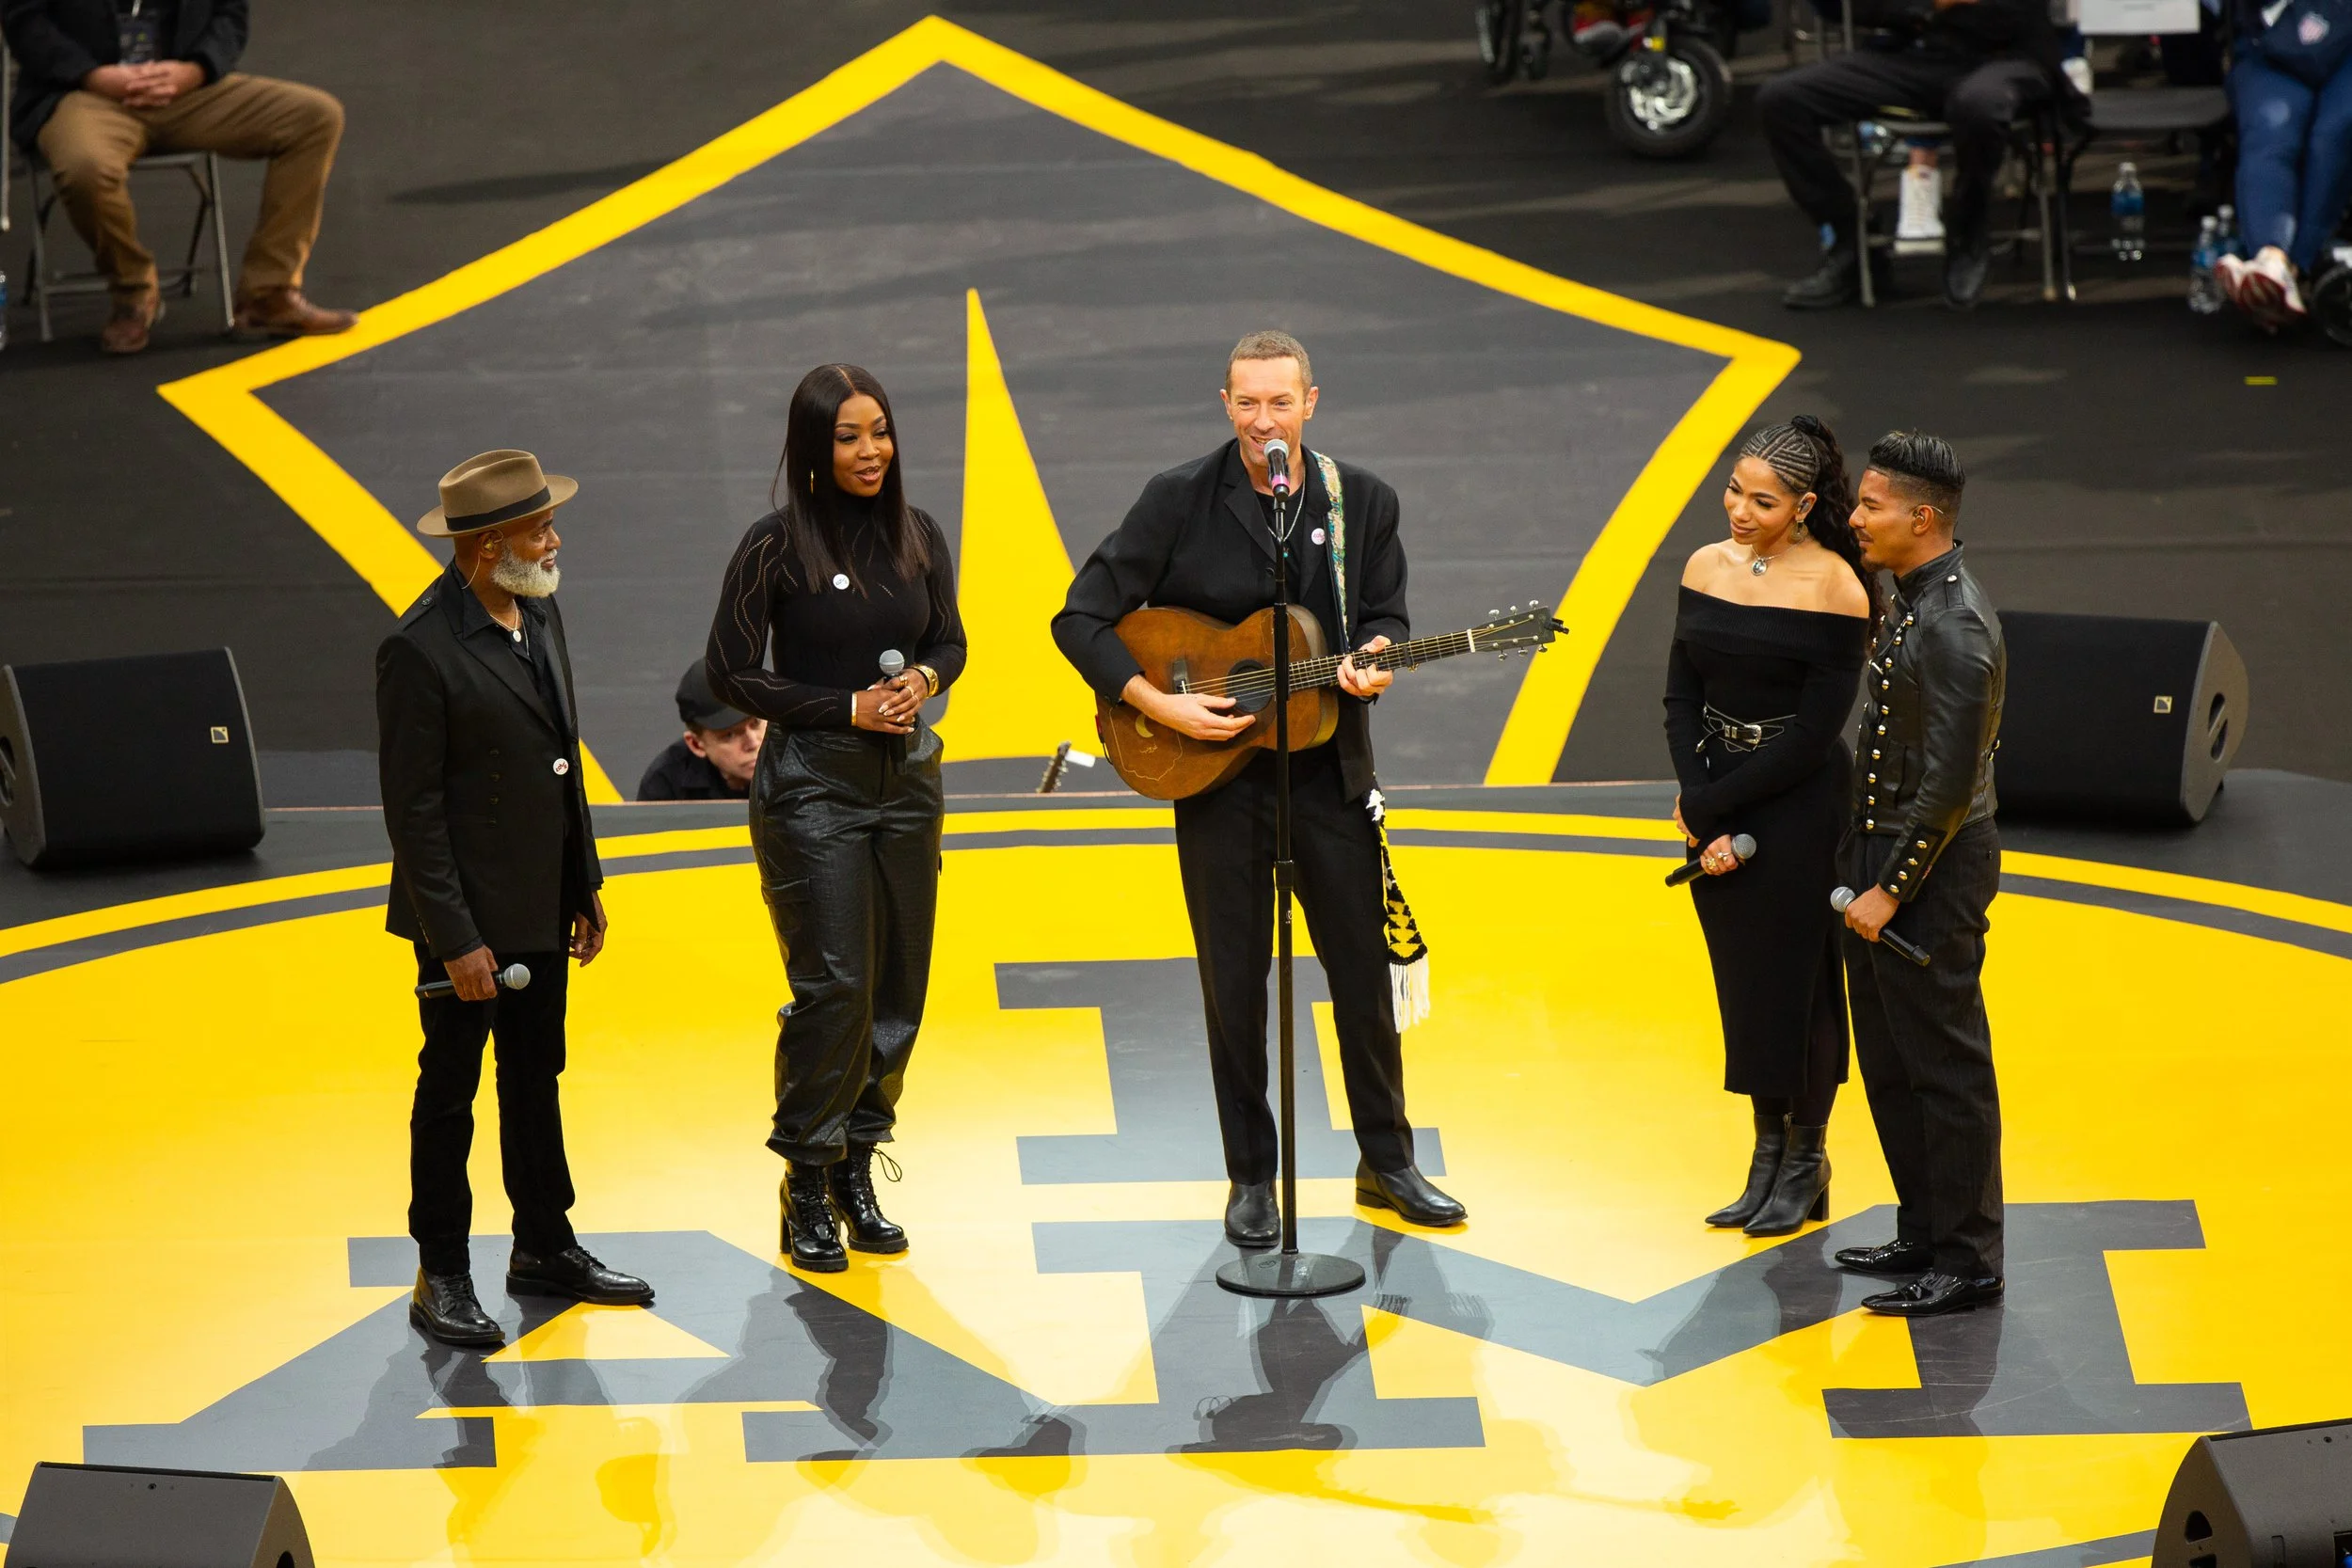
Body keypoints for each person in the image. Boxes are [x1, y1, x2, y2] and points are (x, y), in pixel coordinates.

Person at [1052, 329, 1466, 1247]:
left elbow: (1385, 614)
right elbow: (1078, 617)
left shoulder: (1362, 502)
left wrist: (1375, 659)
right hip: (1216, 779)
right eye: (1248, 403)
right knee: (1233, 980)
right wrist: (1158, 700)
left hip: (1328, 770)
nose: (1264, 420)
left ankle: (1386, 1158)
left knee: (1362, 968)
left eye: (1281, 402)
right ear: (1225, 403)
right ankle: (1250, 1174)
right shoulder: (1176, 500)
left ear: (1311, 403)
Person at [375, 448, 654, 1349]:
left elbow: (560, 759)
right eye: (538, 526)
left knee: (537, 1079)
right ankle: (441, 1270)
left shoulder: (539, 609)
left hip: (540, 896)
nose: (554, 536)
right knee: (449, 1089)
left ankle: (543, 1242)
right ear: (489, 546)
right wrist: (454, 939)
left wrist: (586, 882)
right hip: (465, 918)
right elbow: (413, 814)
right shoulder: (418, 650)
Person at [706, 364, 964, 1275]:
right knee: (835, 987)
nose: (870, 452)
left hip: (907, 784)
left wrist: (922, 681)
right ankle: (805, 1180)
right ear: (815, 446)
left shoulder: (917, 533)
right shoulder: (773, 546)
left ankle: (859, 1158)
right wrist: (847, 708)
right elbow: (732, 672)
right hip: (812, 786)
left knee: (898, 987)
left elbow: (951, 640)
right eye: (849, 436)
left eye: (880, 431)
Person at [1665, 417, 1873, 1239]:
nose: (1739, 512)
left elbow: (1812, 738)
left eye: (1762, 500)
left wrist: (1714, 808)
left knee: (1802, 983)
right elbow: (1681, 695)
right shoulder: (1703, 565)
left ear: (1805, 505)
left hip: (1798, 805)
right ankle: (1764, 1153)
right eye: (1733, 492)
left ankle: (1807, 1157)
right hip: (1714, 789)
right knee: (1745, 980)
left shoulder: (1837, 587)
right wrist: (1697, 793)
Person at [1830, 432, 2007, 1319]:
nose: (1857, 519)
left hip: (1929, 866)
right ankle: (1925, 1228)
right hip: (1884, 852)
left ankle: (1969, 1258)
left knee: (1946, 1063)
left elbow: (1948, 782)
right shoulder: (1909, 599)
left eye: (1870, 507)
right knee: (1891, 1061)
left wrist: (1890, 885)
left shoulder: (1957, 624)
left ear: (1921, 518)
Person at [3, 0, 358, 355]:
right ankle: (133, 290)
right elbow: (23, 20)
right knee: (86, 168)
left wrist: (196, 70)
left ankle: (268, 294)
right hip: (82, 93)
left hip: (184, 90)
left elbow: (230, 15)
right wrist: (92, 75)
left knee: (316, 117)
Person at [1759, 0, 2077, 311]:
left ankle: (1968, 232)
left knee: (1978, 105)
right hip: (1917, 52)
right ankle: (1851, 240)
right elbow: (1843, 9)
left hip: (2006, 57)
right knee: (1782, 100)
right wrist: (1929, 7)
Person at [2214, 0, 2352, 329]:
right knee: (2271, 133)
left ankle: (2288, 267)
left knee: (2332, 135)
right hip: (2272, 46)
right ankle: (2271, 258)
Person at [637, 661, 767, 801]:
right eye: (730, 735)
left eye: (755, 723)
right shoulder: (666, 784)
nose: (753, 743)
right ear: (696, 744)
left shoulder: (792, 755)